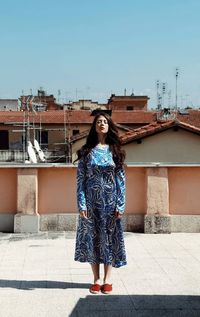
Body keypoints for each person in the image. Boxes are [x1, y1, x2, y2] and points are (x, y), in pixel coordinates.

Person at [74, 112, 127, 294]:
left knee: (110, 240)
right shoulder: (86, 151)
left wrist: (121, 204)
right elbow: (80, 180)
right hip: (90, 203)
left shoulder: (115, 151)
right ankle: (96, 278)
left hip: (111, 203)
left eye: (104, 121)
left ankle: (108, 279)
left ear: (109, 125)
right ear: (94, 126)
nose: (102, 124)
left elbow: (121, 180)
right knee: (93, 240)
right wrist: (81, 204)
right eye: (99, 122)